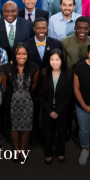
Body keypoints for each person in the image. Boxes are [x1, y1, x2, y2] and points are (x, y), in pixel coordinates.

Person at [25, 17, 62, 145]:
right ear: (34, 29)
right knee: (33, 111)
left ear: (47, 29)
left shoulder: (56, 43)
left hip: (50, 83)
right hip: (32, 84)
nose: (41, 30)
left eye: (44, 28)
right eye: (38, 28)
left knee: (49, 111)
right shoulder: (27, 44)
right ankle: (33, 133)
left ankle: (49, 135)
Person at [2, 43, 39, 162]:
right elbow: (5, 85)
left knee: (27, 126)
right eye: (18, 53)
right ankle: (16, 149)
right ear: (14, 54)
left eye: (24, 53)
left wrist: (23, 93)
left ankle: (23, 148)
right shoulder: (6, 67)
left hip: (28, 101)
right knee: (14, 127)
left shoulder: (34, 67)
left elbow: (33, 85)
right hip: (12, 102)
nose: (21, 56)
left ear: (28, 54)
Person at [61, 16, 90, 140]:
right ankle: (67, 128)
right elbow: (63, 62)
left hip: (85, 83)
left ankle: (79, 129)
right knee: (68, 106)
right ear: (75, 28)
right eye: (79, 28)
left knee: (82, 107)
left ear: (89, 29)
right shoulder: (65, 42)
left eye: (86, 28)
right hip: (68, 81)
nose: (82, 31)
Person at [37, 49, 73, 164]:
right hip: (47, 110)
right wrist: (49, 110)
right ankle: (48, 153)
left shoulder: (68, 74)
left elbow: (68, 95)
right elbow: (40, 95)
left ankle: (60, 152)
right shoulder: (43, 72)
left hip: (62, 110)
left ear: (62, 60)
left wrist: (58, 110)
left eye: (57, 59)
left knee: (61, 132)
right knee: (47, 133)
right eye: (52, 59)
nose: (54, 62)